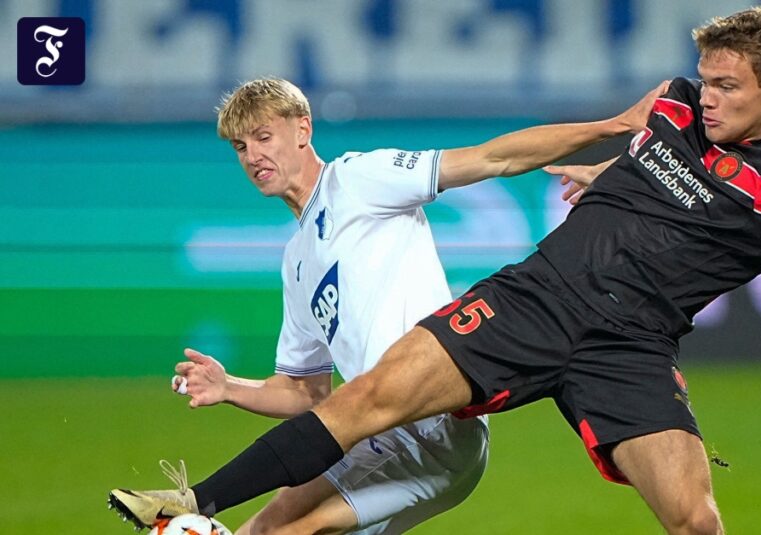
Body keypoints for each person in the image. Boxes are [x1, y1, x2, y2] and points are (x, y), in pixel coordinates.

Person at [111, 7, 761, 534]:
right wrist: (607, 171)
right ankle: (192, 503)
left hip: (631, 344)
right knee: (367, 398)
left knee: (693, 518)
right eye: (707, 78)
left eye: (728, 86)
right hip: (539, 296)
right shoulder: (678, 107)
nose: (708, 94)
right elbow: (653, 158)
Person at [108, 77, 663, 533]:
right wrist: (232, 388)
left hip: (433, 427)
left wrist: (615, 125)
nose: (254, 155)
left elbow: (491, 158)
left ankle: (189, 502)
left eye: (263, 136)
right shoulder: (297, 259)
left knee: (283, 533)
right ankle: (190, 506)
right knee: (261, 529)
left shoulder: (357, 179)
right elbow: (308, 393)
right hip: (375, 427)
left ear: (303, 129)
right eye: (241, 146)